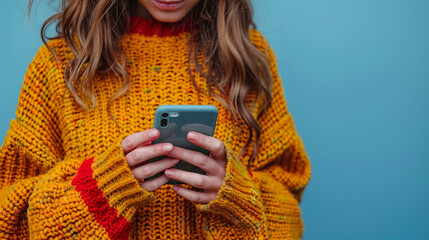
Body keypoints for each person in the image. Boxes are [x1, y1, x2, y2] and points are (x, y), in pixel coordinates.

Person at [0, 0, 311, 239]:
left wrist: (236, 196)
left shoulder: (248, 58)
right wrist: (101, 191)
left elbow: (290, 218)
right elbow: (9, 221)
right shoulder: (61, 64)